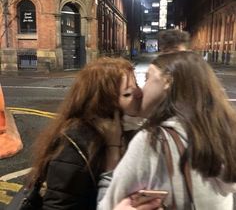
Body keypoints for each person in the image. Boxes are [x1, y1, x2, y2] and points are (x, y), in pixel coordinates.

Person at [98, 51, 236, 210]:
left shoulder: (153, 140)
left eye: (147, 78)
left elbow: (106, 206)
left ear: (167, 82)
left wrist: (112, 153)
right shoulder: (217, 134)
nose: (140, 90)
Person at [26, 57, 160, 210]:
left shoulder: (127, 130)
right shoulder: (75, 144)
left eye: (136, 84)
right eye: (128, 94)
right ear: (103, 104)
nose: (140, 94)